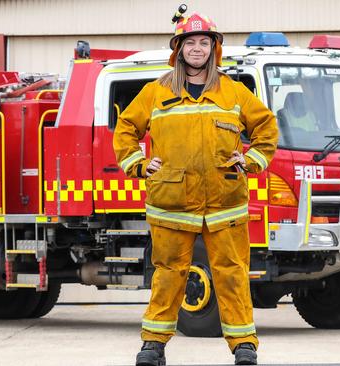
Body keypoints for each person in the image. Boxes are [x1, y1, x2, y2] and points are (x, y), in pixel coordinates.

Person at [113, 9, 278, 366]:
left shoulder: (233, 92)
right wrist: (139, 165)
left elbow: (266, 128)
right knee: (168, 276)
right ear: (179, 49)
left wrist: (250, 162)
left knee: (232, 274)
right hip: (171, 205)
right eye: (191, 42)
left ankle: (244, 346)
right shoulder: (156, 92)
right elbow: (125, 128)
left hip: (225, 205)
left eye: (205, 42)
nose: (198, 49)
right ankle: (153, 346)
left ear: (214, 49)